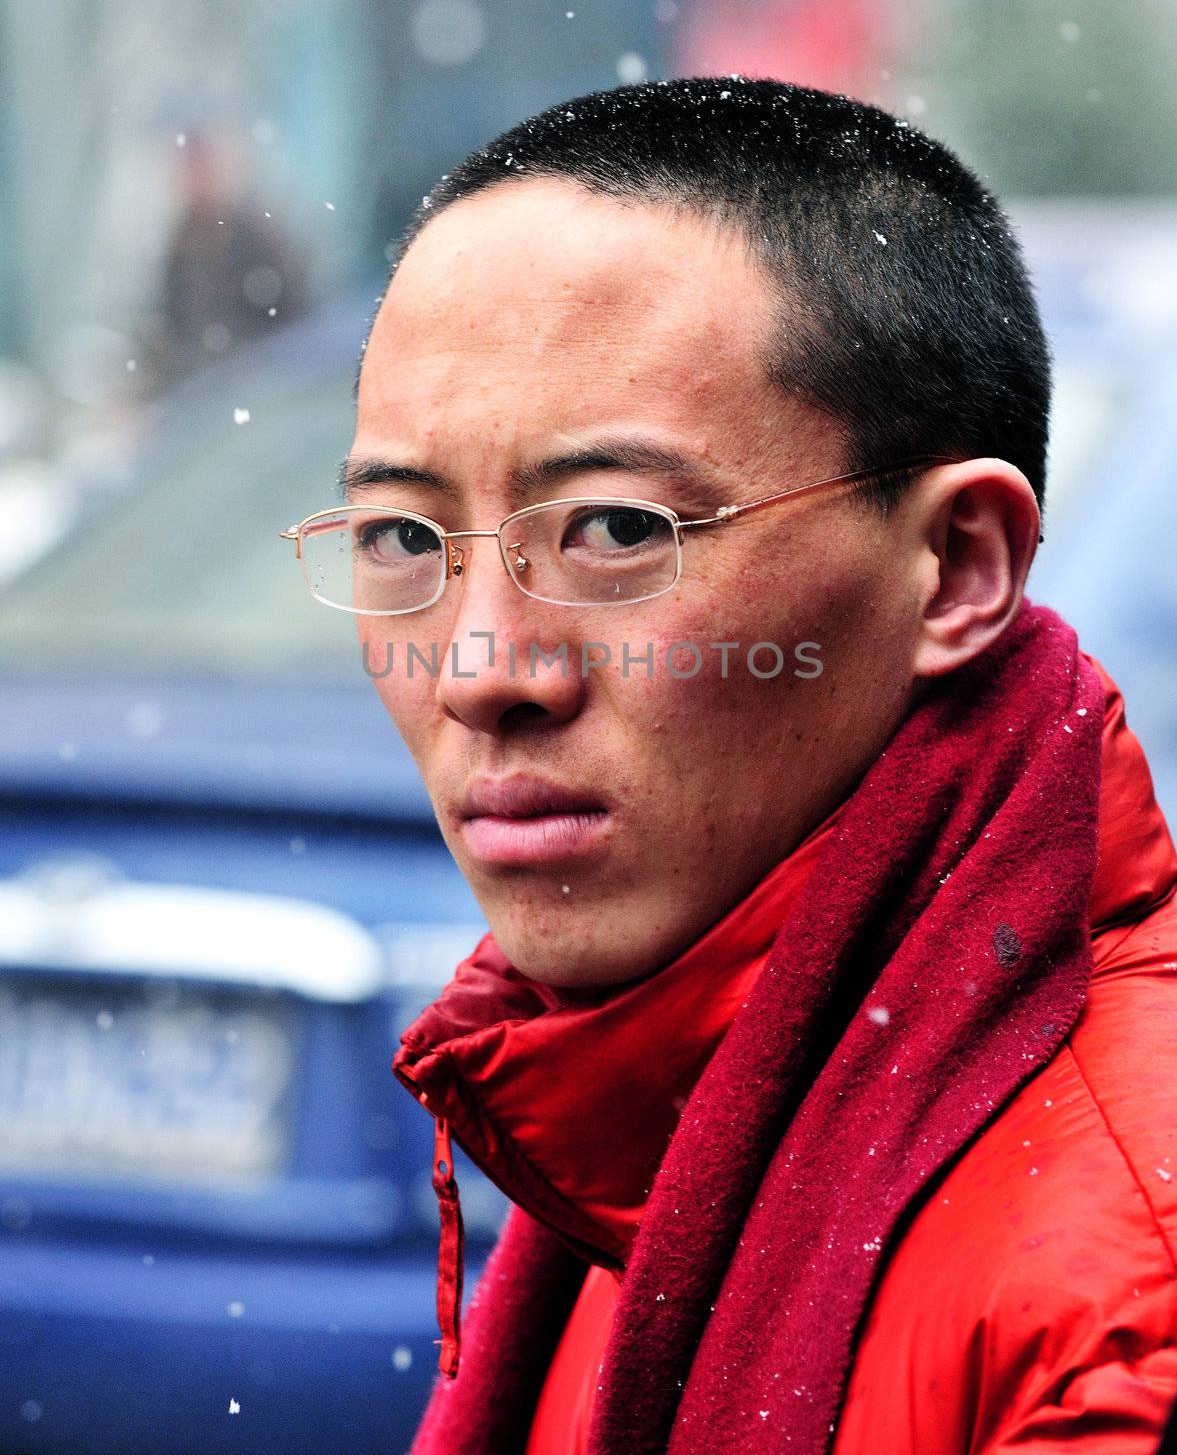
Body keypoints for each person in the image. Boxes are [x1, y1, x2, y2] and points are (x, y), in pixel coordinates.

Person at [282, 77, 1177, 1453]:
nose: (477, 673)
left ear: (956, 566)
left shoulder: (1123, 1283)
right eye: (403, 541)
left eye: (618, 529)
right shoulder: (645, 1127)